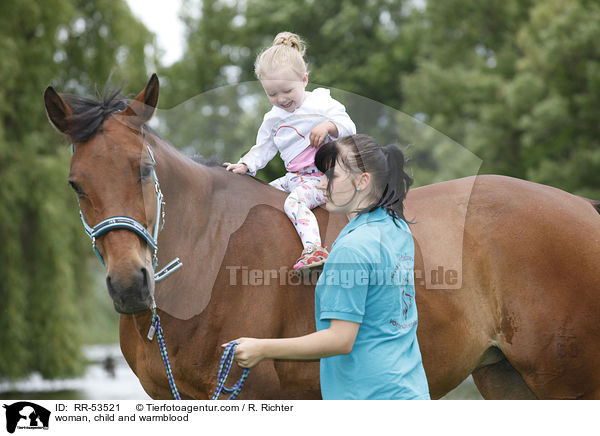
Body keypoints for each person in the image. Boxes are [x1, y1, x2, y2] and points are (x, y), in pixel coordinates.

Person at [226, 134, 430, 400]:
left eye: (331, 176)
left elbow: (340, 340)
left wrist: (261, 348)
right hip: (410, 392)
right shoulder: (396, 227)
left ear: (362, 181)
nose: (320, 184)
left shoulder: (352, 249)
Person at [224, 32, 356, 271]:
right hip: (293, 177)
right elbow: (262, 148)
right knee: (259, 199)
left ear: (304, 80)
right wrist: (244, 165)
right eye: (272, 94)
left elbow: (349, 127)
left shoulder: (321, 104)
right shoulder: (272, 119)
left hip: (322, 178)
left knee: (293, 204)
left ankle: (314, 249)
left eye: (287, 91)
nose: (281, 99)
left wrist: (328, 126)